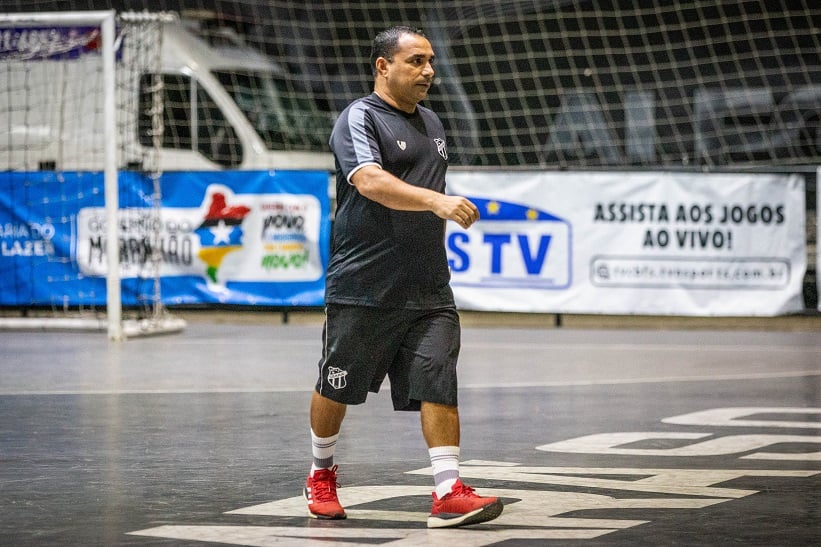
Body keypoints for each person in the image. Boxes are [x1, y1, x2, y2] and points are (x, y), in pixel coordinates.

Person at [304, 25, 503, 529]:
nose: (429, 71)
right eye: (416, 61)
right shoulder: (359, 117)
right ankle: (321, 472)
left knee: (438, 379)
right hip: (363, 286)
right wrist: (437, 202)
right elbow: (368, 180)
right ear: (382, 66)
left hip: (428, 286)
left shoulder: (433, 122)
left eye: (430, 61)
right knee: (337, 385)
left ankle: (447, 490)